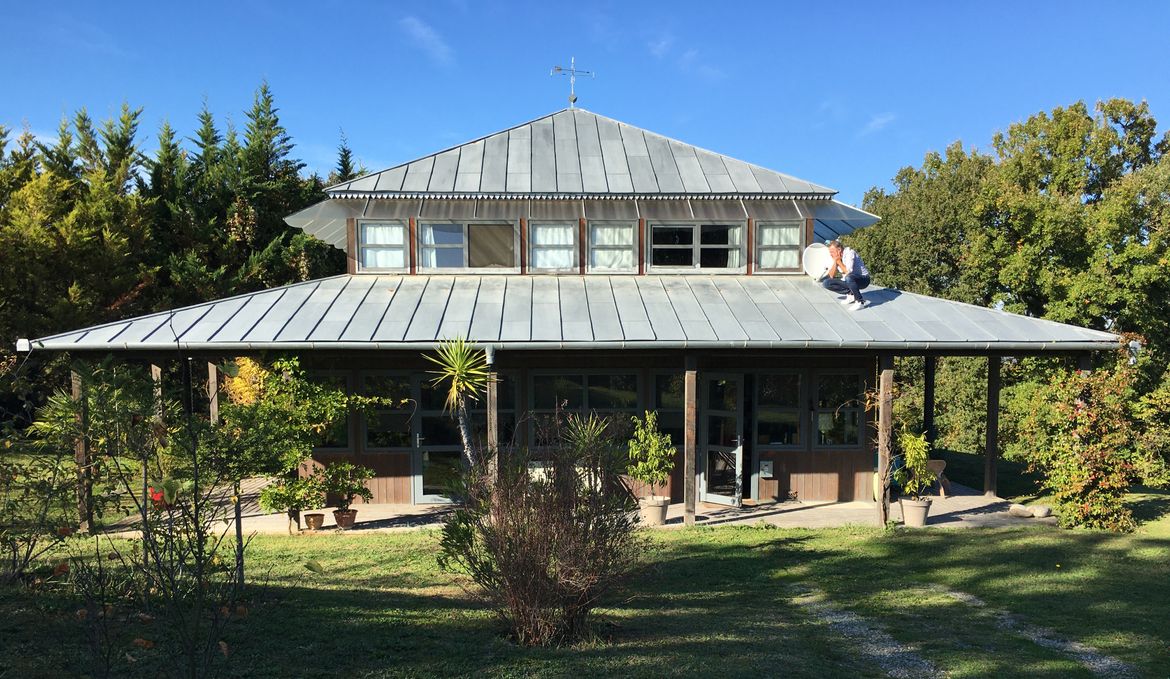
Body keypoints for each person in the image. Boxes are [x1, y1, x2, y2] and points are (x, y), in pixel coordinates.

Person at [820, 240, 870, 310]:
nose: (831, 254)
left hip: (863, 279)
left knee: (849, 277)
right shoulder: (837, 257)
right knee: (826, 283)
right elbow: (831, 275)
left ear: (839, 250)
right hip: (850, 280)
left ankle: (860, 302)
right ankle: (851, 294)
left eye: (832, 252)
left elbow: (848, 271)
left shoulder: (849, 253)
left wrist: (838, 261)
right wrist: (835, 262)